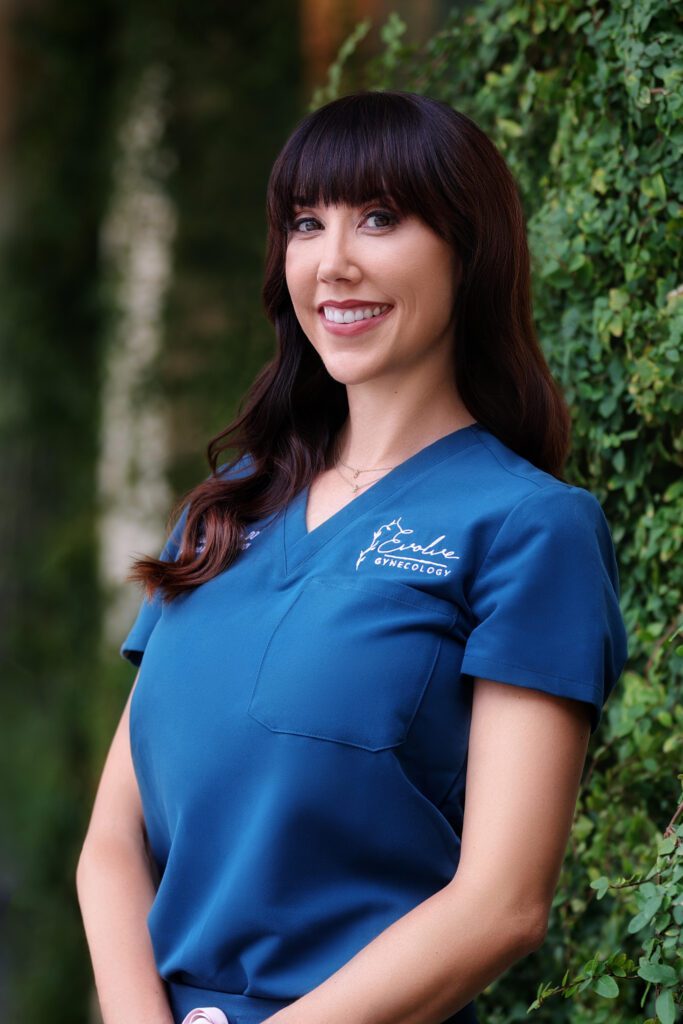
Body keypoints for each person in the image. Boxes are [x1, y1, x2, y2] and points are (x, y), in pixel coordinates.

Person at [76, 89, 629, 1024]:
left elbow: (501, 905)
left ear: (469, 250)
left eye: (379, 217)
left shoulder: (530, 529)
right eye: (306, 222)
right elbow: (111, 843)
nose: (332, 263)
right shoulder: (227, 506)